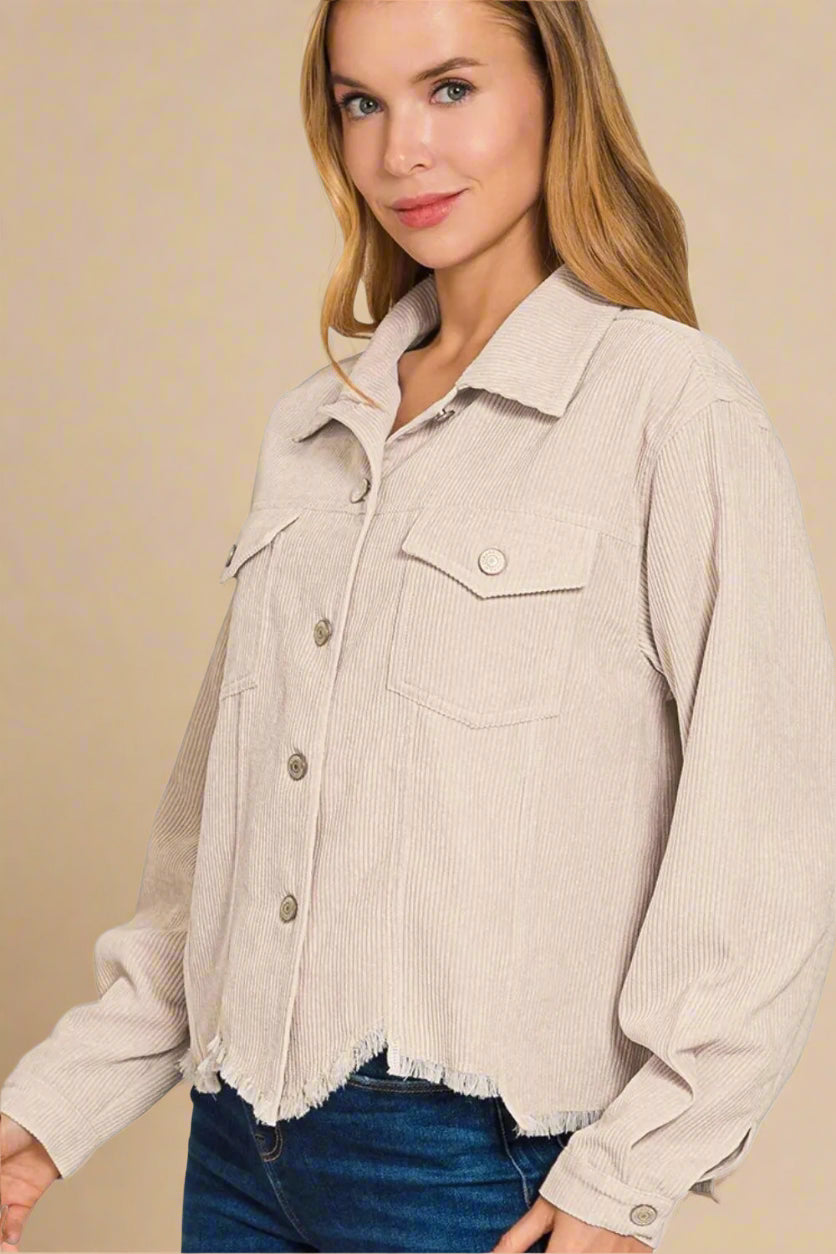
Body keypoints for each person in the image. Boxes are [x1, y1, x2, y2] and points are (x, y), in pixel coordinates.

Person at [2, 2, 835, 1251]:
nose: (400, 152)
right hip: (239, 1149)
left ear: (555, 90)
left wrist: (630, 1174)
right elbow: (220, 838)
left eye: (449, 89)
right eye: (361, 103)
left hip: (468, 1172)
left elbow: (764, 824)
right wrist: (53, 1110)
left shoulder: (665, 404)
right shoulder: (316, 423)